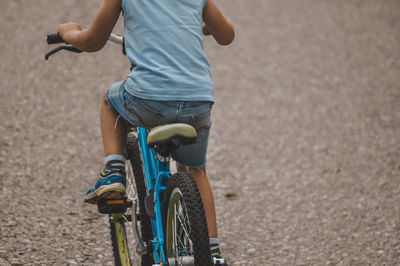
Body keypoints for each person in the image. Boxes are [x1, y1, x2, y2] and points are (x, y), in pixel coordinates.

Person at [58, 0, 234, 264]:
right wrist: (204, 26)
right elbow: (227, 35)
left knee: (109, 101)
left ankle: (114, 173)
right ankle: (213, 253)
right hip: (198, 101)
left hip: (148, 98)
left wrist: (68, 32)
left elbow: (93, 41)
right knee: (196, 171)